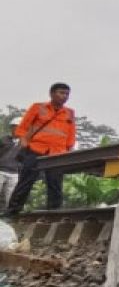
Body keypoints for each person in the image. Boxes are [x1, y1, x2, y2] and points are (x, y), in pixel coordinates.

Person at [5, 83, 76, 215]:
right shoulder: (38, 107)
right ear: (51, 94)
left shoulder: (69, 113)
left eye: (66, 94)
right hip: (36, 149)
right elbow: (23, 127)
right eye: (61, 93)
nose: (64, 96)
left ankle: (54, 213)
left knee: (55, 183)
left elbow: (71, 133)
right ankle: (13, 211)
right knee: (26, 180)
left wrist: (68, 149)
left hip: (57, 153)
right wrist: (24, 140)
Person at [0, 120, 21, 210]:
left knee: (10, 197)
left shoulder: (24, 142)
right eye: (13, 127)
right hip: (1, 170)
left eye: (17, 127)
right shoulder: (3, 139)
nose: (15, 129)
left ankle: (7, 217)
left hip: (14, 173)